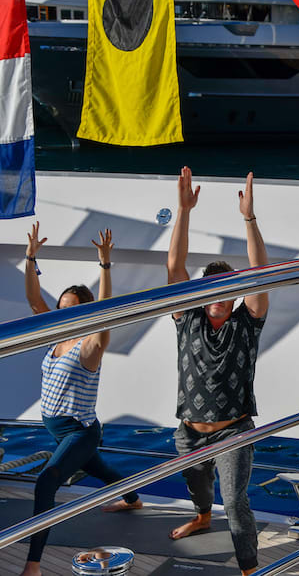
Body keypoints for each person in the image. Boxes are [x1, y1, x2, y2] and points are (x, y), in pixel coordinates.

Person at [20, 223, 142, 576]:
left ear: (86, 312)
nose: (62, 314)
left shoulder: (90, 345)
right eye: (60, 308)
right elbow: (32, 300)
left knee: (46, 482)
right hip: (61, 432)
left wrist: (105, 266)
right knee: (99, 469)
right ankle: (134, 499)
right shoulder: (57, 336)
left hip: (79, 430)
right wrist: (30, 258)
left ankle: (33, 565)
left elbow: (105, 313)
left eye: (71, 309)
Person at [166, 167, 268, 576]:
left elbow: (262, 275)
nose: (220, 298)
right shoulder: (186, 317)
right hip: (189, 430)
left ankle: (248, 569)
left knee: (236, 501)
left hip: (232, 429)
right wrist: (184, 210)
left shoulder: (248, 321)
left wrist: (249, 218)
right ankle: (201, 516)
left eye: (228, 290)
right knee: (198, 487)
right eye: (213, 290)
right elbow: (175, 266)